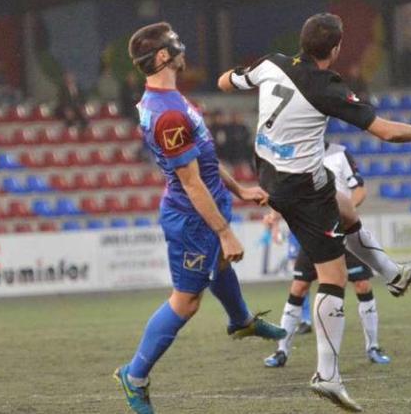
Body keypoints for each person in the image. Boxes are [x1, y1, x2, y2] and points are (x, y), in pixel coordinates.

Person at [218, 12, 411, 411]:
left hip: (271, 170)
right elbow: (386, 132)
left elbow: (224, 82)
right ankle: (327, 375)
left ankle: (394, 274)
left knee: (345, 207)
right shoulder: (328, 88)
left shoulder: (272, 62)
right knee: (334, 278)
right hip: (301, 188)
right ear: (335, 49)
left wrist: (243, 76)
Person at [114, 22, 286, 414]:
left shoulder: (170, 100)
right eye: (175, 44)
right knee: (187, 301)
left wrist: (240, 190)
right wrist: (224, 231)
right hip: (191, 217)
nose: (182, 47)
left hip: (206, 203)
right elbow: (191, 182)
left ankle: (240, 320)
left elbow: (203, 157)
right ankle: (134, 375)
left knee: (221, 263)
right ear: (162, 57)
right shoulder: (168, 113)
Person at [263, 142, 390, 369]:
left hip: (342, 229)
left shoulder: (340, 153)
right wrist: (274, 214)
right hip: (313, 232)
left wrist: (344, 210)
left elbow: (359, 189)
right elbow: (286, 192)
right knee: (299, 287)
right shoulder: (298, 154)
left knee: (361, 284)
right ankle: (281, 351)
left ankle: (373, 346)